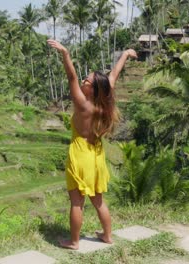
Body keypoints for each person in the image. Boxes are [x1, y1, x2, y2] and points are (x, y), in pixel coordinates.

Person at [47, 39, 137, 250]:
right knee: (99, 201)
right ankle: (107, 236)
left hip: (80, 155)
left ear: (92, 90)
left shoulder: (82, 103)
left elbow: (71, 76)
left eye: (87, 82)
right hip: (96, 156)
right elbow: (113, 76)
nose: (83, 83)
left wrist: (65, 53)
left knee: (77, 202)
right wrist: (124, 55)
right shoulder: (104, 101)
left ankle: (74, 241)